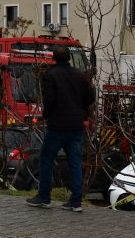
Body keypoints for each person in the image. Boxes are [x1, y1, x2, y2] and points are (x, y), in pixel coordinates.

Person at [26, 45, 95, 212]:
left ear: (53, 58)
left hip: (57, 126)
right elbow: (90, 96)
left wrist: (47, 115)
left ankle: (44, 196)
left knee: (46, 158)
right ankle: (76, 200)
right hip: (76, 126)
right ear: (69, 58)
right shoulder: (79, 75)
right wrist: (82, 112)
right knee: (75, 163)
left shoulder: (50, 75)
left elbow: (49, 101)